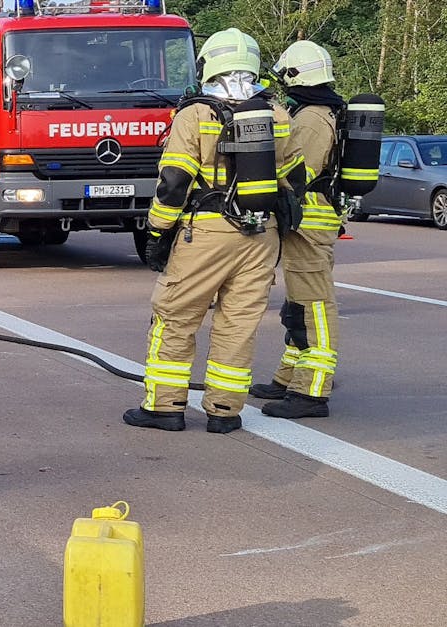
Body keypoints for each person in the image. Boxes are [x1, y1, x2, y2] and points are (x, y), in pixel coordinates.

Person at [123, 28, 301, 434]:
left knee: (175, 316)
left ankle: (164, 406)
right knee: (239, 322)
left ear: (208, 64)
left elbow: (173, 181)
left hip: (206, 231)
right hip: (261, 234)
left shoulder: (195, 114)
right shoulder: (275, 113)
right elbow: (293, 178)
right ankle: (224, 410)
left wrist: (156, 231)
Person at [250, 40, 346, 418]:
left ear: (295, 75)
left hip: (309, 221)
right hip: (306, 220)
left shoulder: (310, 119)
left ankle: (312, 393)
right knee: (297, 306)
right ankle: (289, 378)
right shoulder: (319, 111)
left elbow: (296, 174)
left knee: (315, 306)